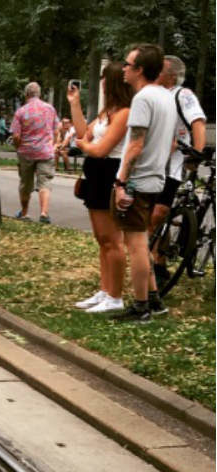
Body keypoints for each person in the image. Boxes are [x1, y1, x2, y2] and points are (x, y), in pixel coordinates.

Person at [111, 43, 176, 322]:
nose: (123, 68)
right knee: (142, 242)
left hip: (137, 181)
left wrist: (120, 182)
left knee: (136, 245)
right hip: (155, 179)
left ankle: (140, 308)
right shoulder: (166, 97)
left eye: (127, 64)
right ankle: (153, 299)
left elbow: (136, 145)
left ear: (139, 70)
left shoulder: (142, 99)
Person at [68, 62, 133, 314]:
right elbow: (85, 132)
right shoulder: (108, 111)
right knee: (101, 238)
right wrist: (75, 103)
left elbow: (100, 147)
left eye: (105, 79)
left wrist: (83, 146)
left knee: (112, 239)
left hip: (109, 173)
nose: (102, 83)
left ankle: (115, 295)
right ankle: (105, 289)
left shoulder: (124, 112)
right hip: (96, 173)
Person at [151, 54, 208, 287]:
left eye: (160, 70)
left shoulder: (182, 94)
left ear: (171, 75)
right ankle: (157, 259)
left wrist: (196, 152)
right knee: (154, 216)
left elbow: (197, 122)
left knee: (159, 213)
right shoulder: (156, 94)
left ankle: (158, 261)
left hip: (172, 166)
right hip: (155, 164)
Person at [10, 82, 59, 223]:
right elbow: (56, 129)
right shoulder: (50, 109)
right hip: (45, 151)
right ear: (39, 94)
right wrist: (53, 144)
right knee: (45, 182)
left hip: (26, 152)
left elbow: (16, 136)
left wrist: (18, 147)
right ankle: (44, 213)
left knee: (25, 183)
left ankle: (24, 213)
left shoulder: (21, 111)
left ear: (26, 95)